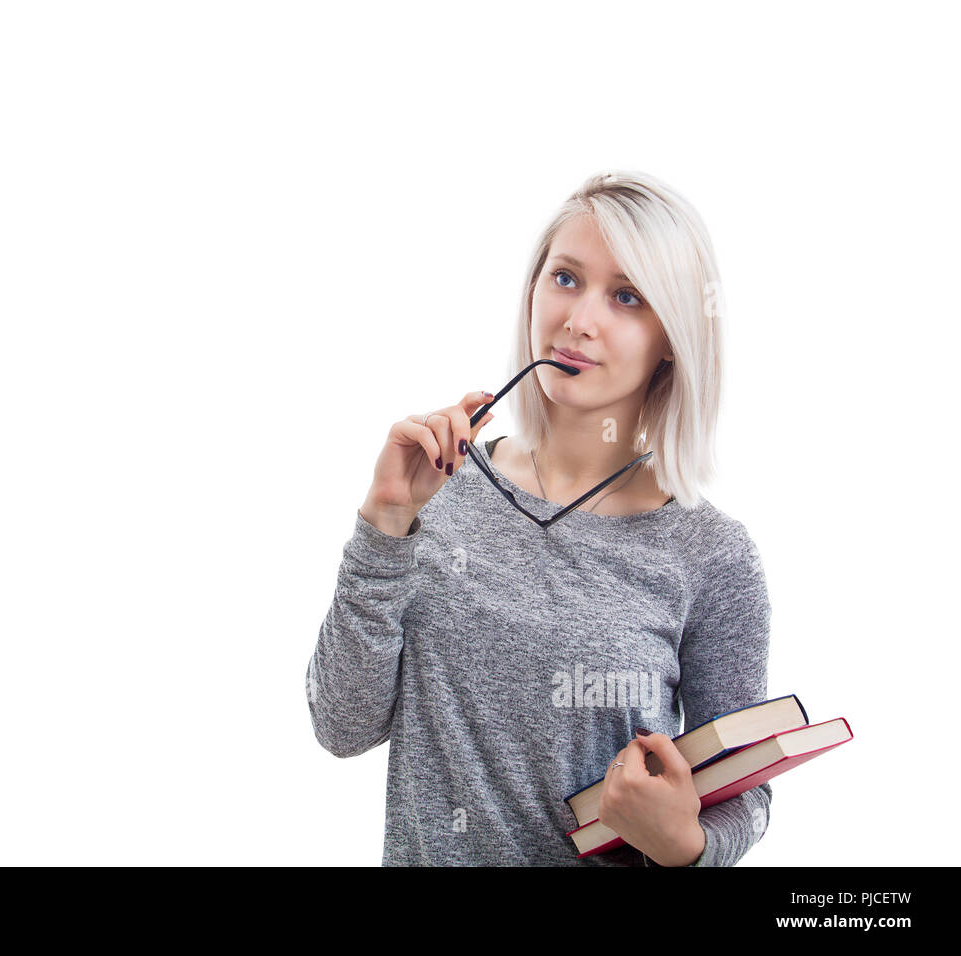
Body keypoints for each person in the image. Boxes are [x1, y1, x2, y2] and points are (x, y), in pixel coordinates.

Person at [306, 171, 773, 866]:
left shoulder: (711, 556)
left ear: (672, 335)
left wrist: (686, 844)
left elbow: (744, 796)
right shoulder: (441, 486)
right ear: (532, 291)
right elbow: (341, 725)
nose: (580, 319)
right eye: (565, 279)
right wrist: (384, 526)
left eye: (626, 296)